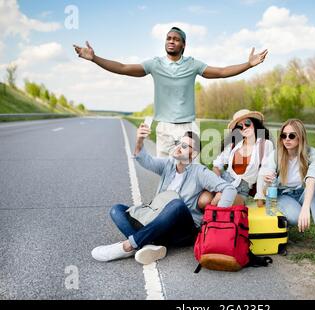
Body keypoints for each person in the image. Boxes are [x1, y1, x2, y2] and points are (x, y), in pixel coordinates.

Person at [74, 27, 268, 157]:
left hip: (188, 127)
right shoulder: (155, 64)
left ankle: (188, 214)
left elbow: (222, 72)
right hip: (165, 128)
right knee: (167, 173)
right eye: (168, 38)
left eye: (176, 39)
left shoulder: (193, 64)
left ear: (183, 44)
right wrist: (94, 58)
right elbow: (123, 67)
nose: (171, 41)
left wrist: (248, 65)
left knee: (189, 174)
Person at [91, 126, 237, 264]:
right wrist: (140, 141)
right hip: (158, 220)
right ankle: (148, 245)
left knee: (176, 204)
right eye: (179, 143)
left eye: (185, 146)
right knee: (117, 210)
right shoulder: (168, 165)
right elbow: (144, 160)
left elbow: (229, 189)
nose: (179, 147)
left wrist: (218, 220)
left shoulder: (200, 172)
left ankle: (129, 246)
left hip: (183, 230)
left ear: (194, 154)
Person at [258, 119, 315, 260]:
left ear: (300, 137)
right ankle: (284, 226)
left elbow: (312, 179)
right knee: (294, 217)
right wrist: (269, 181)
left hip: (302, 193)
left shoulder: (312, 154)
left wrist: (306, 208)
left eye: (292, 136)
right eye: (284, 135)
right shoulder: (276, 155)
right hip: (282, 195)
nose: (287, 139)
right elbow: (266, 190)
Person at [198, 109, 274, 209]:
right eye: (240, 126)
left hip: (242, 190)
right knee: (203, 201)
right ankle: (207, 218)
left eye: (247, 123)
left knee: (221, 198)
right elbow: (217, 166)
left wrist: (260, 198)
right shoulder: (234, 144)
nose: (244, 127)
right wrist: (218, 185)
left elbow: (264, 172)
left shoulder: (265, 145)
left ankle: (211, 218)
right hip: (223, 182)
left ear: (254, 123)